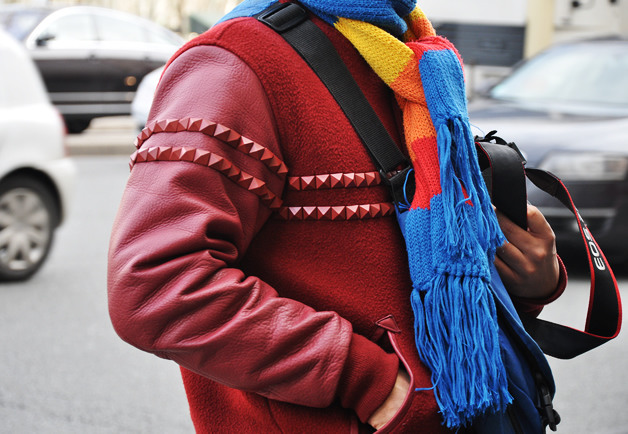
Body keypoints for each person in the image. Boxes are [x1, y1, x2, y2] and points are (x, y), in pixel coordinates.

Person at [107, 0, 566, 432]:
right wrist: (370, 382)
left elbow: (417, 269)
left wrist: (528, 283)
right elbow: (154, 285)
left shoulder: (407, 51)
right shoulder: (235, 61)